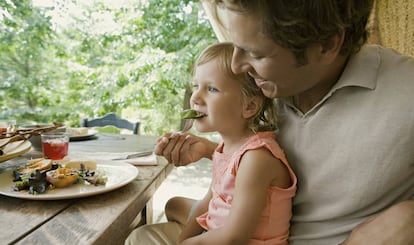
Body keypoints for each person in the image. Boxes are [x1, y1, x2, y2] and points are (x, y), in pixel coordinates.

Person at [128, 0, 414, 244]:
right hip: (252, 225)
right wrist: (208, 150)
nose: (238, 66)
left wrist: (408, 218)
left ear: (326, 45)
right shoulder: (257, 86)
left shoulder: (405, 92)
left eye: (256, 53)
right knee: (142, 235)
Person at [127, 42, 297, 244]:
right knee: (154, 223)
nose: (196, 97)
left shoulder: (256, 159)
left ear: (249, 106)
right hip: (218, 232)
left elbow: (235, 237)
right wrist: (183, 240)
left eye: (212, 89)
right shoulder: (225, 149)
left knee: (140, 238)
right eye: (196, 86)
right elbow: (206, 204)